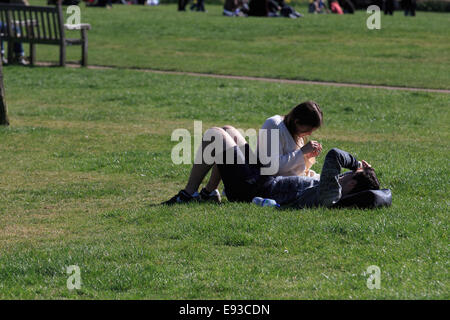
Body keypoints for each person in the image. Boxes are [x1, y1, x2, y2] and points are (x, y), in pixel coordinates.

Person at [162, 124, 380, 208]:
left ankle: (188, 194)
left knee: (215, 136)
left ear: (352, 184)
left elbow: (334, 156)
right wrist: (364, 172)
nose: (346, 173)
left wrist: (356, 163)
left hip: (252, 189)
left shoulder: (331, 194)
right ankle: (209, 194)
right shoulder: (333, 189)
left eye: (352, 174)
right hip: (262, 178)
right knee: (228, 131)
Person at [258, 101, 323, 179]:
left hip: (297, 180)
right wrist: (301, 152)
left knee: (332, 180)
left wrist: (307, 156)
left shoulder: (295, 130)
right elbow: (273, 168)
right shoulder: (274, 125)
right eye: (308, 130)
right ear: (297, 122)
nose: (309, 134)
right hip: (278, 183)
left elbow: (297, 169)